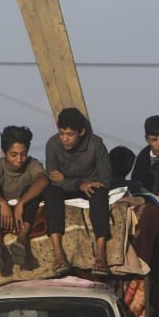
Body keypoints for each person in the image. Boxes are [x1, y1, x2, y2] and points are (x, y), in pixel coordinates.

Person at [0, 125, 63, 272]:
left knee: (32, 190)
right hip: (2, 212)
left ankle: (21, 241)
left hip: (25, 212)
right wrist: (2, 203)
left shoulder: (32, 163)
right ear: (3, 152)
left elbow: (43, 180)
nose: (19, 159)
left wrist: (22, 203)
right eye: (14, 154)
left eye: (23, 154)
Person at [44, 107, 113, 277]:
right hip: (67, 189)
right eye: (61, 133)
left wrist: (67, 179)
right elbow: (53, 180)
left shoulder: (96, 144)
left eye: (69, 134)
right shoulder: (53, 144)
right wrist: (79, 183)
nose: (64, 139)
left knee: (99, 193)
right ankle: (58, 254)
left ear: (81, 132)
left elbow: (106, 180)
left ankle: (101, 254)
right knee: (51, 193)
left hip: (90, 189)